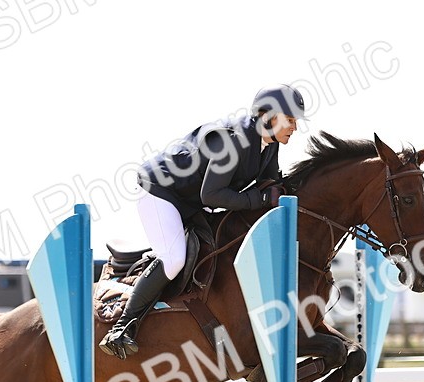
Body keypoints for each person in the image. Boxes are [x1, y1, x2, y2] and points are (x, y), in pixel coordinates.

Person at [99, 84, 307, 359]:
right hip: (161, 192)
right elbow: (212, 194)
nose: (294, 127)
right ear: (268, 116)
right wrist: (260, 200)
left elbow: (269, 184)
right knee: (174, 259)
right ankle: (121, 329)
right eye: (290, 120)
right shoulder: (233, 140)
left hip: (189, 199)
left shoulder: (267, 144)